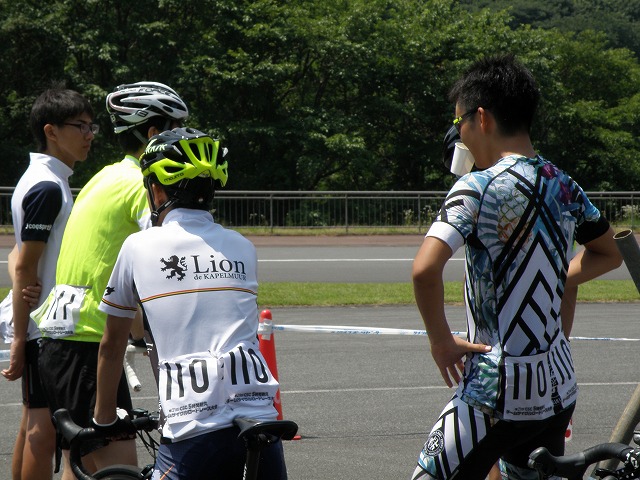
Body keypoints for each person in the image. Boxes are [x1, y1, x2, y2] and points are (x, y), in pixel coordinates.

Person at [411, 54, 622, 480]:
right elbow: (608, 252)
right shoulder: (563, 183)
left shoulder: (475, 186)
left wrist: (441, 342)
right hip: (558, 387)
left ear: (481, 118)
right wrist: (555, 279)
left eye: (459, 123)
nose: (459, 136)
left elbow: (424, 269)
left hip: (495, 390)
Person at [93, 127, 287, 480]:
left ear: (156, 189)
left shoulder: (137, 247)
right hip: (260, 422)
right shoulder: (243, 246)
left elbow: (112, 343)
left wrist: (103, 418)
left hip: (192, 426)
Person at [33, 82, 188, 479]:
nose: (185, 139)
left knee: (81, 466)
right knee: (120, 471)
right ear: (154, 134)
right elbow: (170, 252)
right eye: (178, 129)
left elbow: (109, 265)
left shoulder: (104, 176)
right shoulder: (141, 183)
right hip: (90, 344)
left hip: (64, 342)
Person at [2, 85, 96, 480]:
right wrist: (20, 340)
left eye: (92, 126)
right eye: (80, 126)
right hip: (45, 328)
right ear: (51, 131)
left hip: (42, 323)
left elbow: (17, 256)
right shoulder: (47, 186)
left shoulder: (45, 179)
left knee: (33, 423)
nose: (89, 135)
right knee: (44, 431)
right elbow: (25, 265)